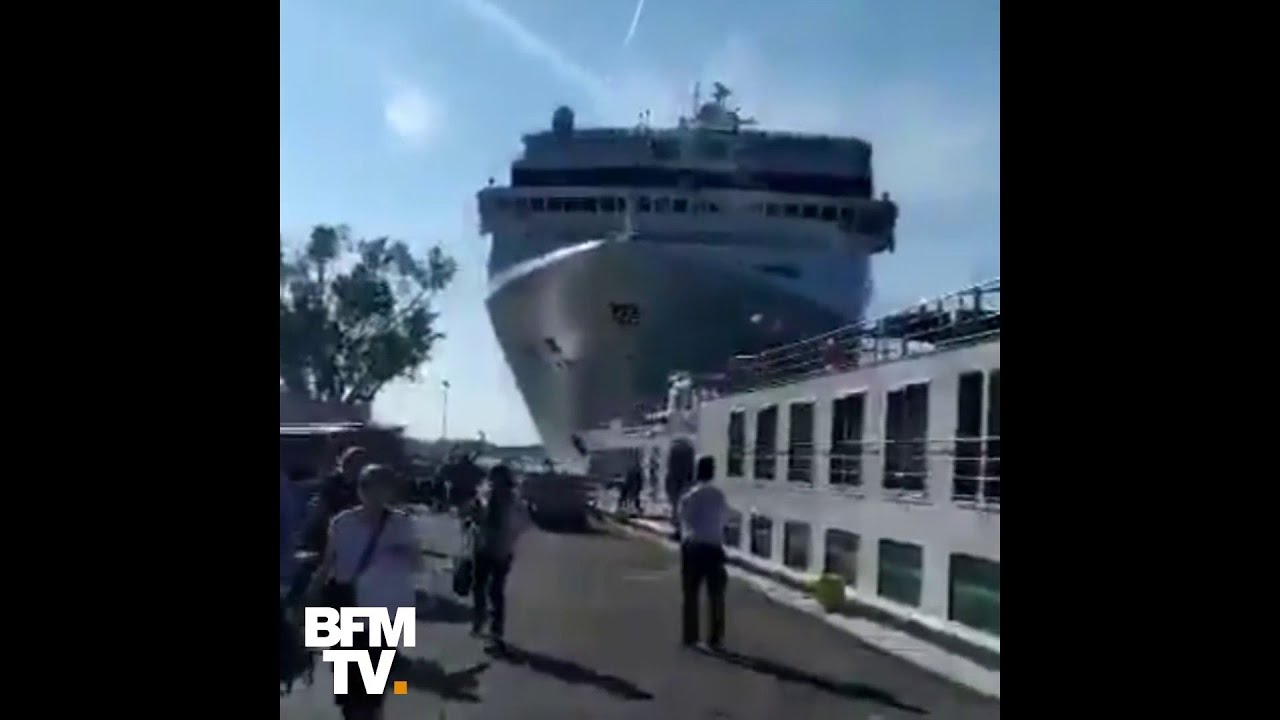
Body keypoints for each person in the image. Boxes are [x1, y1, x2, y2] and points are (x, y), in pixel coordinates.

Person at [306, 464, 422, 720]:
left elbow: (417, 564)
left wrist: (401, 553)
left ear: (389, 490)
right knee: (345, 682)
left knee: (374, 684)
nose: (372, 494)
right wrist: (310, 598)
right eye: (366, 486)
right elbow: (328, 564)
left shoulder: (401, 523)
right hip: (342, 606)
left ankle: (372, 712)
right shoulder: (342, 522)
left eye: (380, 487)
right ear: (359, 489)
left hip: (384, 611)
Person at [468, 464, 530, 649]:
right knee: (480, 587)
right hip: (485, 548)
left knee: (494, 591)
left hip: (500, 550)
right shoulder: (485, 495)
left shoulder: (514, 501)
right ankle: (481, 621)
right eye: (493, 479)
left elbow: (523, 523)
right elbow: (474, 516)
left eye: (498, 479)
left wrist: (509, 535)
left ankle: (494, 630)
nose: (495, 483)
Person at [677, 456, 729, 650]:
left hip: (694, 546)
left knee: (690, 594)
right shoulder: (719, 495)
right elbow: (724, 519)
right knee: (716, 595)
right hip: (714, 547)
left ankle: (690, 636)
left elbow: (683, 519)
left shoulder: (689, 496)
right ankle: (715, 638)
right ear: (712, 472)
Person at [301, 446, 368, 554]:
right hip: (331, 528)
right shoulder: (332, 483)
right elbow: (322, 508)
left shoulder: (364, 485)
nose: (358, 466)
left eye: (361, 463)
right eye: (355, 462)